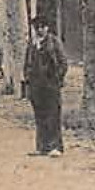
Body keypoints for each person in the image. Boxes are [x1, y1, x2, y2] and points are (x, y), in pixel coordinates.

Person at [24, 17, 68, 155]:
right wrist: (28, 79)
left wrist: (56, 78)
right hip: (36, 86)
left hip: (51, 85)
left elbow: (63, 63)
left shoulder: (54, 42)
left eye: (42, 27)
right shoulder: (32, 44)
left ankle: (55, 146)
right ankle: (42, 147)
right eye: (37, 27)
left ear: (47, 28)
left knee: (53, 115)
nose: (39, 30)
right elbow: (27, 64)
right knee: (40, 116)